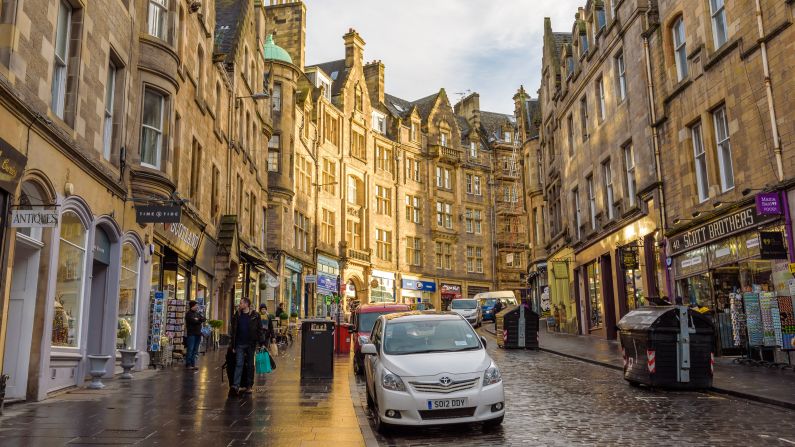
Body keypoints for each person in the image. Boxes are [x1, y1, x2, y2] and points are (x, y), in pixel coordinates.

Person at [230, 297, 262, 394]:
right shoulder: (237, 315)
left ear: (247, 304)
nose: (239, 305)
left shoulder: (255, 315)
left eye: (241, 303)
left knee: (250, 365)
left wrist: (262, 343)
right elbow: (233, 331)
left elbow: (259, 329)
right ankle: (235, 385)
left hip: (250, 344)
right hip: (239, 344)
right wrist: (233, 345)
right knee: (239, 364)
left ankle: (249, 386)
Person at [184, 300, 205, 370]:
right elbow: (193, 321)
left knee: (195, 350)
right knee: (190, 349)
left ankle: (193, 364)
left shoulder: (197, 313)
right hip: (191, 334)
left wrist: (198, 319)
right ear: (192, 306)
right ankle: (188, 364)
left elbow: (204, 319)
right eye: (196, 305)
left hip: (198, 334)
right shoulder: (188, 314)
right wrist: (199, 320)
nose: (197, 307)